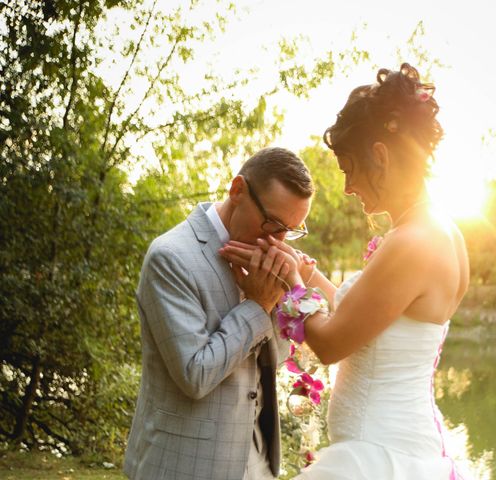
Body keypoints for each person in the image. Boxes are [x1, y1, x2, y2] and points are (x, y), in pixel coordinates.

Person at [220, 63, 470, 479]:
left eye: (349, 169)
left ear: (380, 155)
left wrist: (291, 284)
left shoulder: (415, 242)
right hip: (394, 444)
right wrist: (304, 270)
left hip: (379, 458)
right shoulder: (434, 230)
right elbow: (364, 316)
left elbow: (333, 343)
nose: (348, 187)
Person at [123, 147, 314, 480]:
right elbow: (194, 375)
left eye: (290, 230)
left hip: (255, 463)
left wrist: (283, 295)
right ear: (237, 190)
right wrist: (258, 305)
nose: (279, 241)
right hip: (183, 465)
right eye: (271, 223)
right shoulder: (171, 257)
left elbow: (274, 359)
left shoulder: (265, 261)